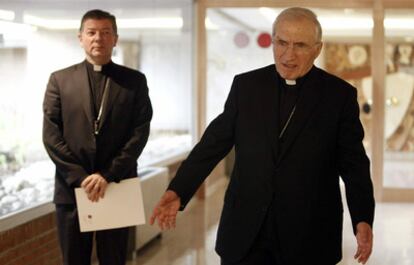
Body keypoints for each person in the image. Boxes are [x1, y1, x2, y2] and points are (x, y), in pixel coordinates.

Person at [150, 7, 374, 265]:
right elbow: (213, 144)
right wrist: (179, 189)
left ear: (317, 48)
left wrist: (362, 217)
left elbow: (354, 164)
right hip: (245, 232)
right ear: (273, 40)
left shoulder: (338, 96)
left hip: (309, 234)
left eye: (300, 45)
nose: (288, 54)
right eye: (281, 42)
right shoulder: (246, 87)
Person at [42, 9, 152, 265]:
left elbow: (140, 131)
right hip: (72, 190)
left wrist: (108, 174)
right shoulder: (60, 80)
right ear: (80, 37)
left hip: (117, 185)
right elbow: (51, 135)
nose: (98, 39)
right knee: (74, 260)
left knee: (114, 259)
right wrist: (82, 178)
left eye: (105, 33)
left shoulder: (134, 81)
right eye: (91, 32)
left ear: (115, 38)